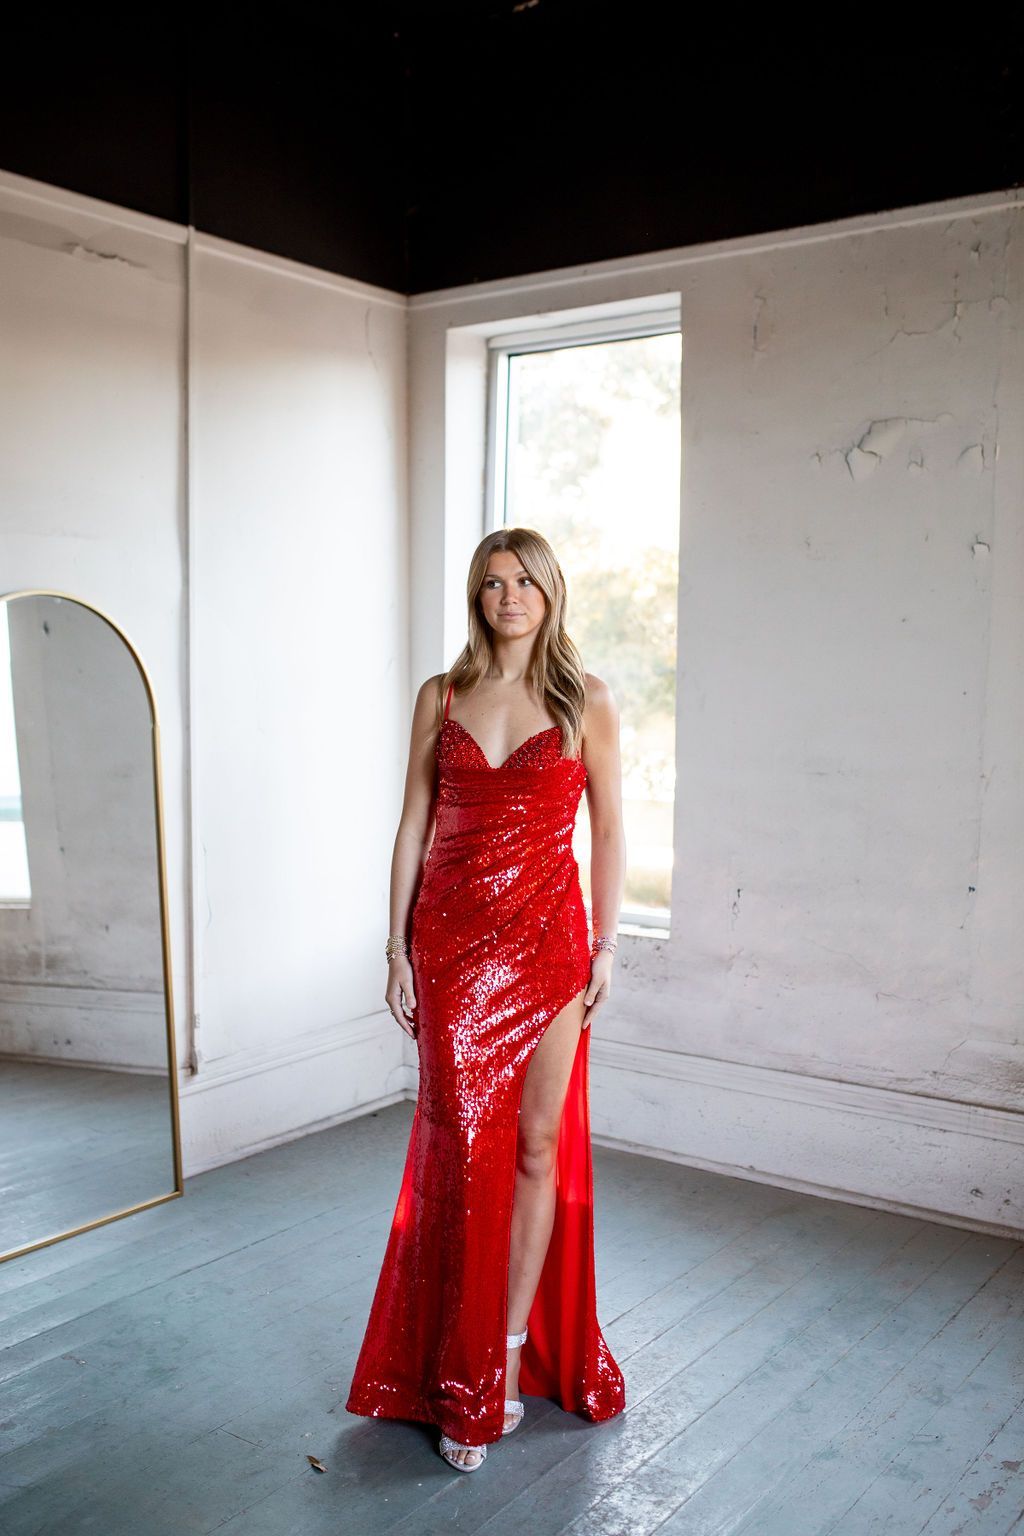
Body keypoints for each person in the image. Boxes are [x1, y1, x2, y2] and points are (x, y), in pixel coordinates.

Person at [345, 526, 627, 1471]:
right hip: (454, 944)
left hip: (550, 943)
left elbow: (613, 832)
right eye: (493, 582)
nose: (509, 596)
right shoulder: (444, 694)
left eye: (525, 582)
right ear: (478, 595)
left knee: (538, 1146)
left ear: (551, 592)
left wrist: (606, 946)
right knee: (462, 1149)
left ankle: (503, 1359)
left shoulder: (586, 702)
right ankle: (450, 1366)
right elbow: (413, 819)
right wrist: (396, 948)